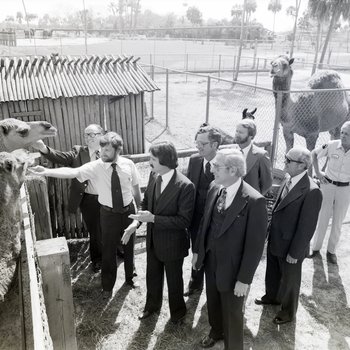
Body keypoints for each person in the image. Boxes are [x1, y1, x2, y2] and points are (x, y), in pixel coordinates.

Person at [30, 132, 141, 299]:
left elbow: (136, 189)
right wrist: (46, 171)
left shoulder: (128, 164)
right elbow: (72, 172)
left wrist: (137, 211)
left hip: (128, 212)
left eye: (107, 150)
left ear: (118, 150)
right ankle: (107, 286)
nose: (102, 153)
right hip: (108, 214)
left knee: (129, 245)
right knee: (108, 249)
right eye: (102, 149)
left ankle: (130, 278)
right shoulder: (95, 166)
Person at [193, 148, 268, 350]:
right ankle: (215, 330)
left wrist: (244, 279)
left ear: (233, 170)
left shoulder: (254, 201)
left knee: (233, 311)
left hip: (234, 268)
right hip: (211, 260)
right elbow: (205, 223)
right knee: (213, 301)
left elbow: (255, 245)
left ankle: (233, 345)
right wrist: (199, 251)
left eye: (217, 166)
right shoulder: (214, 188)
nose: (212, 169)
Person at [129, 141, 195, 324]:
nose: (149, 162)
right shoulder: (153, 175)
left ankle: (178, 313)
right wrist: (138, 219)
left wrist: (154, 219)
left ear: (165, 161)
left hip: (173, 244)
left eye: (152, 159)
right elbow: (147, 201)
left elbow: (184, 221)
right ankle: (151, 307)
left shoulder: (185, 186)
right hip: (153, 241)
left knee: (174, 282)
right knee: (153, 277)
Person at [255, 146, 322, 325]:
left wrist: (295, 252)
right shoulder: (288, 178)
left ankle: (287, 312)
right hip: (276, 238)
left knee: (290, 280)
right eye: (286, 158)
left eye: (288, 160)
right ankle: (272, 297)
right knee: (273, 272)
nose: (284, 162)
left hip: (291, 245)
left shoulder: (312, 191)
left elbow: (307, 228)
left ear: (302, 166)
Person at [32, 124, 104, 273]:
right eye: (86, 134)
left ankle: (118, 250)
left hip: (109, 197)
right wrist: (43, 148)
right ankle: (97, 260)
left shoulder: (108, 151)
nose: (89, 137)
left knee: (113, 226)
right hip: (89, 200)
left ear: (101, 135)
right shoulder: (78, 152)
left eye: (93, 134)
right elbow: (60, 157)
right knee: (96, 232)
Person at [184, 125, 222, 296]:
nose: (198, 146)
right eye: (197, 142)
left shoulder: (225, 163)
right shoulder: (194, 160)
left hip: (216, 221)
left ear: (214, 145)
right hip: (196, 218)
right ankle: (195, 282)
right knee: (196, 250)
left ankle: (215, 288)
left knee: (214, 255)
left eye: (203, 144)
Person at [310, 121, 350, 264]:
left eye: (347, 134)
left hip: (345, 189)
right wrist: (318, 173)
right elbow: (314, 154)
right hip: (328, 185)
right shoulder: (332, 145)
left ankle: (331, 252)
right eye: (342, 132)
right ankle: (315, 248)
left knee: (338, 220)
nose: (343, 136)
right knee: (322, 217)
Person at [234, 119, 272, 195]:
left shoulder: (261, 156)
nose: (237, 134)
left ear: (251, 136)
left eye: (241, 132)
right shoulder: (230, 152)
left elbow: (267, 183)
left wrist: (255, 198)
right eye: (236, 131)